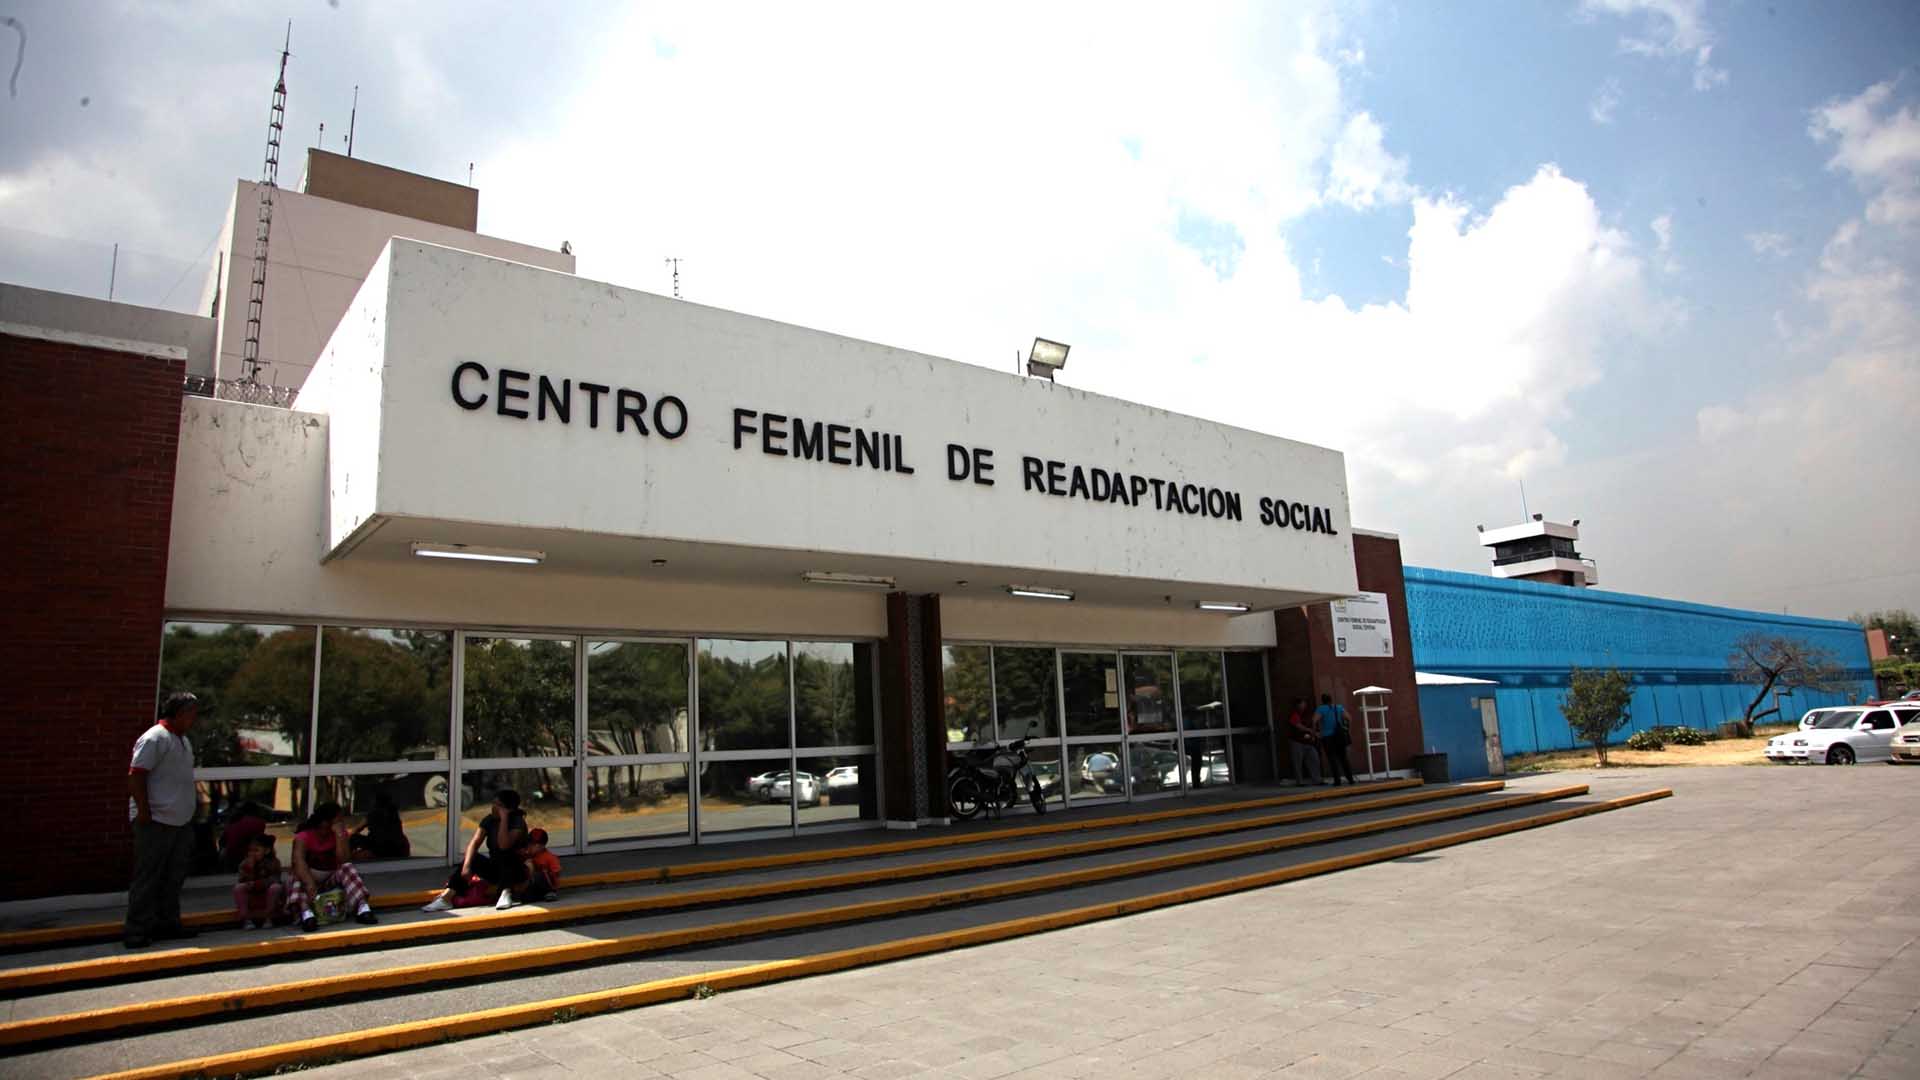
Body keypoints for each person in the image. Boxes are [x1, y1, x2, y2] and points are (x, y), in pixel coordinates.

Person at [126, 692, 202, 949]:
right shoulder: (155, 738)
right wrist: (144, 811)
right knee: (148, 876)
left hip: (180, 821)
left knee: (173, 877)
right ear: (180, 713)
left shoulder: (183, 741)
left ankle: (167, 923)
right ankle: (137, 929)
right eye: (192, 713)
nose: (194, 719)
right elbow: (136, 775)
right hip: (156, 820)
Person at [422, 789, 529, 913]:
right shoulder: (489, 820)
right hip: (496, 870)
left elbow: (503, 845)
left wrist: (504, 819)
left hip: (516, 871)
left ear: (508, 809)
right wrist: (467, 866)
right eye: (493, 803)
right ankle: (447, 897)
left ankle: (506, 892)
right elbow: (474, 843)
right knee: (474, 858)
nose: (493, 807)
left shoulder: (517, 821)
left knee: (507, 856)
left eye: (498, 805)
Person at [287, 802, 379, 931]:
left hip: (330, 879)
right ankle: (306, 914)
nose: (342, 821)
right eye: (339, 818)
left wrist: (339, 836)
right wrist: (309, 883)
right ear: (326, 821)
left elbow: (344, 860)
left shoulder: (340, 834)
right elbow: (298, 861)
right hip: (309, 879)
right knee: (296, 875)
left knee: (348, 868)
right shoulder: (304, 836)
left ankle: (362, 908)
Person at [233, 834, 285, 929]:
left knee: (276, 887)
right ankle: (246, 919)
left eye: (256, 850)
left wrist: (258, 884)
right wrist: (250, 869)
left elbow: (275, 879)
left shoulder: (273, 862)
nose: (252, 854)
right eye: (250, 851)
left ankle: (268, 918)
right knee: (238, 888)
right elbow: (242, 880)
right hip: (252, 895)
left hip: (267, 894)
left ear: (267, 851)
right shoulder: (244, 864)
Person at [349, 792, 412, 862]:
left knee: (353, 838)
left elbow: (356, 829)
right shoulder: (394, 813)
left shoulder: (373, 814)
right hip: (399, 849)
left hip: (380, 849)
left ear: (376, 803)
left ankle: (347, 859)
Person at [1317, 693, 1357, 786]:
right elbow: (1349, 718)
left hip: (1327, 737)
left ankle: (1337, 781)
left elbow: (1314, 720)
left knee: (1332, 759)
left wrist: (1317, 732)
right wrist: (1347, 728)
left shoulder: (1321, 709)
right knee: (1344, 758)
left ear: (1322, 701)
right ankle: (1350, 779)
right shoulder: (1338, 707)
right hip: (1339, 737)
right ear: (1331, 699)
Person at [220, 801, 269, 872]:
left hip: (230, 857)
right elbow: (257, 842)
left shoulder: (233, 823)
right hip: (245, 856)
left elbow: (223, 841)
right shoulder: (259, 823)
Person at [1286, 697, 1322, 785]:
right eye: (1302, 704)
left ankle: (1317, 779)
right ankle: (1299, 781)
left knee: (1314, 759)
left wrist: (1313, 735)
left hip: (1308, 742)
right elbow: (1299, 726)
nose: (1304, 705)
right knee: (1297, 762)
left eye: (1304, 704)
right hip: (1297, 741)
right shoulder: (1294, 715)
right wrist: (1311, 731)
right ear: (1297, 705)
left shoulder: (1306, 714)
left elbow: (1312, 724)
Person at [523, 827, 562, 902]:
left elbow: (556, 873)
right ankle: (540, 896)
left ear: (542, 846)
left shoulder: (549, 857)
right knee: (525, 898)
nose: (530, 847)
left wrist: (547, 874)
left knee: (539, 875)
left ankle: (550, 892)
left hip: (547, 884)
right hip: (534, 885)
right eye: (529, 844)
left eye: (534, 845)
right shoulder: (528, 856)